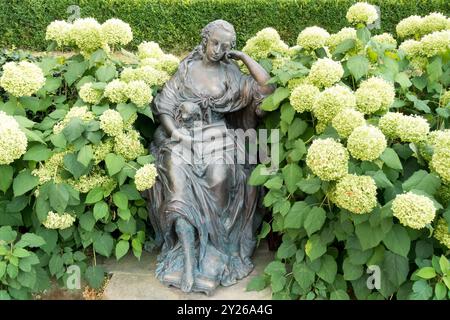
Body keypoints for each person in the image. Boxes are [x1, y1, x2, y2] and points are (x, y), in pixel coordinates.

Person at [144, 19, 274, 294]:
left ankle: (215, 250)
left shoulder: (231, 73)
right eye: (215, 43)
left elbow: (266, 90)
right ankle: (187, 256)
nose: (218, 49)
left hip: (218, 137)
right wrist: (176, 134)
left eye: (225, 46)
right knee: (175, 171)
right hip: (182, 136)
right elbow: (164, 107)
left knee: (221, 174)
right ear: (204, 40)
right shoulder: (186, 70)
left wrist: (243, 57)